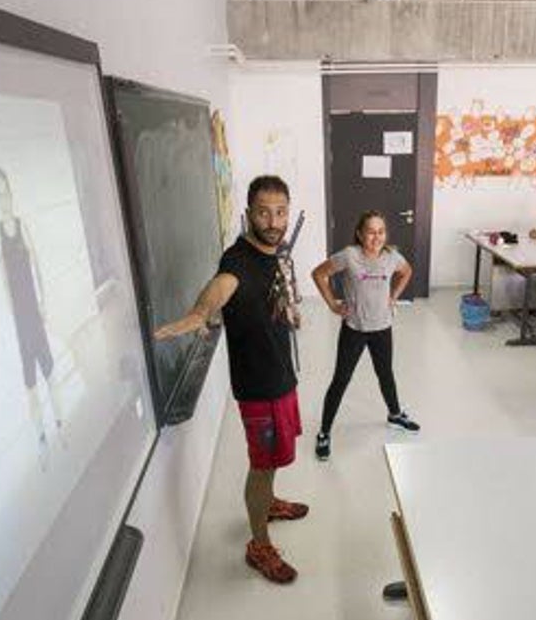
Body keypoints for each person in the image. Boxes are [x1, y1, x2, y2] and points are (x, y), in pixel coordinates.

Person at [154, 175, 307, 584]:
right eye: (263, 212)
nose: (273, 221)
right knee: (261, 466)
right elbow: (221, 287)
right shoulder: (238, 260)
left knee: (275, 461)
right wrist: (199, 312)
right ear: (248, 214)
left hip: (281, 377)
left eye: (280, 212)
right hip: (259, 389)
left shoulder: (277, 253)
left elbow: (273, 300)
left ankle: (269, 502)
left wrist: (290, 314)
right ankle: (258, 544)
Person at [312, 211, 418, 462]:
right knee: (341, 379)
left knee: (385, 374)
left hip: (382, 327)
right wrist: (332, 305)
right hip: (355, 329)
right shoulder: (349, 256)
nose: (376, 236)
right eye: (371, 231)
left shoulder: (392, 257)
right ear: (360, 234)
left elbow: (407, 271)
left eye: (381, 231)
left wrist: (393, 297)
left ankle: (394, 415)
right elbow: (318, 274)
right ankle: (324, 432)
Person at [0, 167, 63, 467]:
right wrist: (14, 316)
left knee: (49, 370)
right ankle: (41, 439)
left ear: (11, 192)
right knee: (30, 382)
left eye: (5, 191)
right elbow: (4, 282)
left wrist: (44, 303)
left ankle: (60, 425)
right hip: (21, 319)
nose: (3, 198)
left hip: (35, 313)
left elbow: (37, 268)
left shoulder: (23, 227)